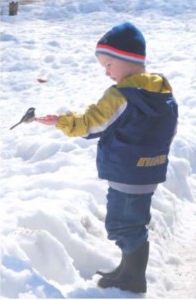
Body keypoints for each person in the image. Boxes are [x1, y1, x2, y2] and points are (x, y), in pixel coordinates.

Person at [35, 22, 178, 293]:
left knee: (123, 225)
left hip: (126, 173)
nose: (106, 72)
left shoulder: (122, 95)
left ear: (128, 60)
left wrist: (61, 121)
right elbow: (170, 130)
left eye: (109, 64)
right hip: (147, 171)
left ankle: (134, 278)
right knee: (133, 222)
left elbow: (93, 123)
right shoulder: (161, 91)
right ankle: (127, 269)